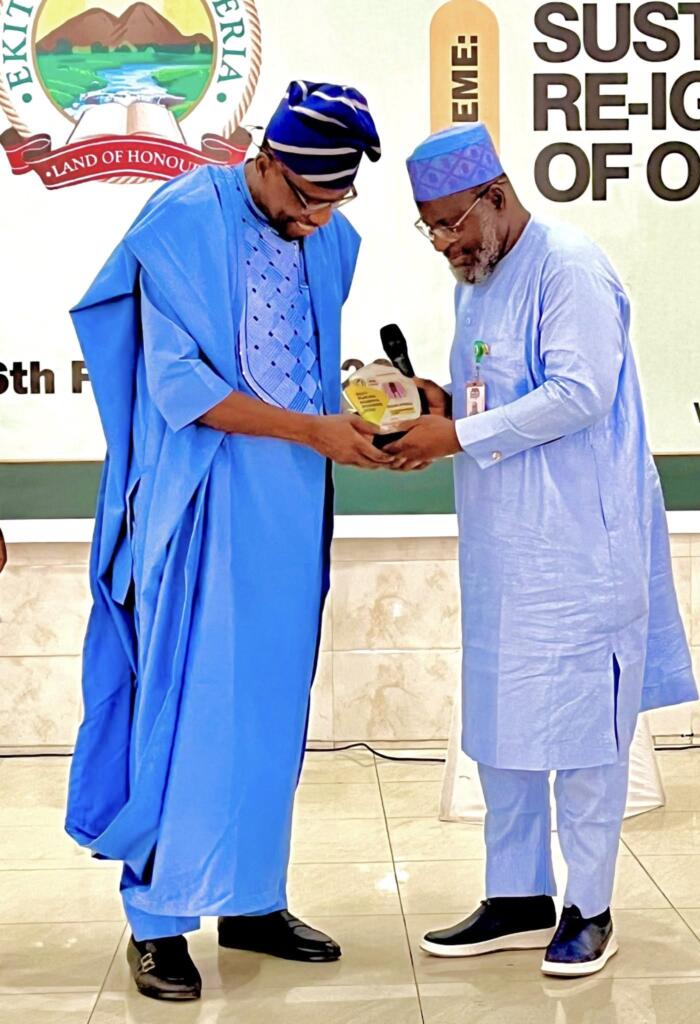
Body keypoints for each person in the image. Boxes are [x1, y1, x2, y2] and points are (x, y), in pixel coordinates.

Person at [64, 81, 389, 1002]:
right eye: (307, 199)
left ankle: (250, 898)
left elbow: (298, 365)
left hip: (286, 504)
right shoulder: (181, 224)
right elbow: (182, 388)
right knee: (184, 707)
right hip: (196, 499)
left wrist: (362, 410)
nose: (317, 221)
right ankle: (157, 922)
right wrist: (313, 429)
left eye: (334, 203)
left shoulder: (326, 236)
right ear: (266, 160)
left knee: (270, 706)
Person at [386, 123, 697, 977]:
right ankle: (516, 896)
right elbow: (491, 392)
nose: (443, 244)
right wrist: (434, 403)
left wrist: (456, 436)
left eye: (451, 223)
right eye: (429, 229)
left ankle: (588, 907)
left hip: (580, 549)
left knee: (586, 736)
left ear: (495, 196)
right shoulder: (475, 278)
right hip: (503, 552)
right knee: (503, 728)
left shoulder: (568, 267)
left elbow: (579, 393)